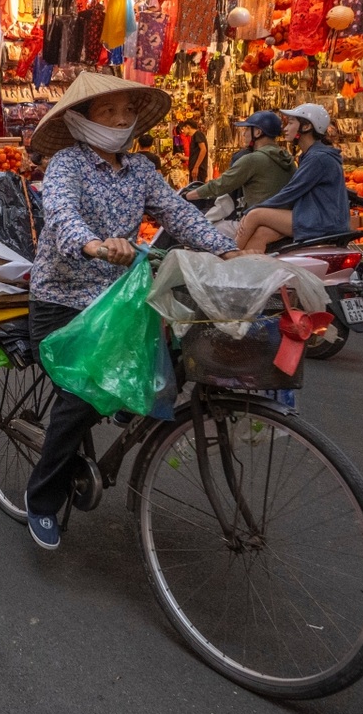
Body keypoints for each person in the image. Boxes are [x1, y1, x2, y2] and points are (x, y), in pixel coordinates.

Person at [22, 73, 241, 551]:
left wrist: (226, 251)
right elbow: (60, 216)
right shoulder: (66, 165)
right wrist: (94, 245)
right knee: (83, 393)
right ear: (80, 121)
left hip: (119, 301)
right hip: (63, 302)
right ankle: (40, 499)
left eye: (126, 111)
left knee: (181, 353)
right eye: (107, 112)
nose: (121, 120)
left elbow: (178, 214)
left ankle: (126, 411)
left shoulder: (141, 169)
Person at [235, 104, 350, 253]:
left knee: (255, 215)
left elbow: (290, 192)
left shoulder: (318, 158)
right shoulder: (312, 155)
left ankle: (228, 256)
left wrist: (251, 210)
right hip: (318, 218)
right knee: (262, 232)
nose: (285, 129)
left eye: (290, 123)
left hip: (321, 222)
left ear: (306, 126)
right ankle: (249, 269)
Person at [182, 110, 295, 211]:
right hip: (280, 219)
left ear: (258, 132)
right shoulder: (286, 157)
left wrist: (186, 196)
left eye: (246, 129)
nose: (243, 133)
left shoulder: (254, 159)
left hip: (259, 221)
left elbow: (220, 185)